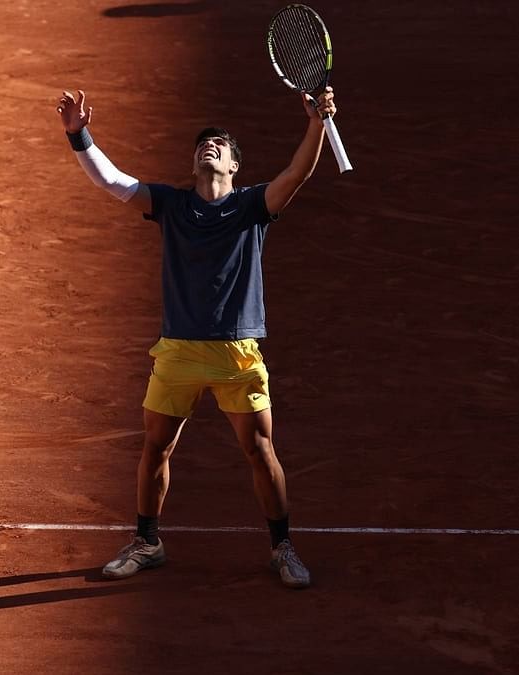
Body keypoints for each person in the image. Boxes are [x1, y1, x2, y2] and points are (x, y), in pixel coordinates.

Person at [56, 86, 338, 589]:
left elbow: (298, 173)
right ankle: (148, 541)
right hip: (179, 350)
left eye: (220, 146)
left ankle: (282, 546)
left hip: (238, 352)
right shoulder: (171, 205)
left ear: (234, 167)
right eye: (203, 144)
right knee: (156, 449)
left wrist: (317, 124)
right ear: (194, 165)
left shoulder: (254, 206)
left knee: (260, 450)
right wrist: (80, 136)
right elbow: (115, 182)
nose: (209, 146)